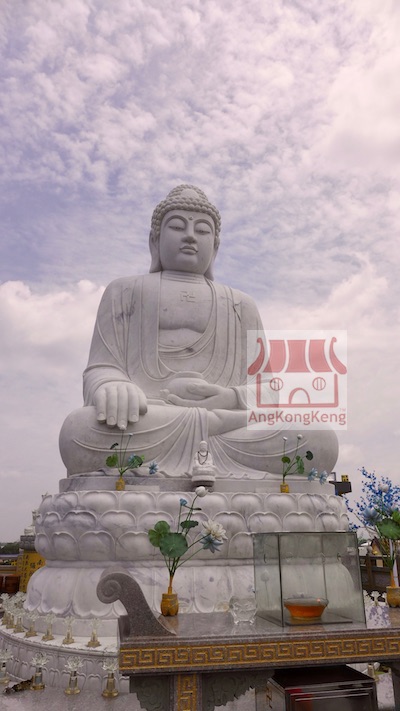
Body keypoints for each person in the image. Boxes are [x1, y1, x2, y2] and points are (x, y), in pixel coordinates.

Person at [59, 185, 338, 477]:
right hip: (151, 417)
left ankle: (205, 438)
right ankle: (213, 445)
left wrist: (230, 397)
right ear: (155, 240)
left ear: (215, 247)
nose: (190, 236)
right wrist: (113, 385)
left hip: (228, 423)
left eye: (202, 230)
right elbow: (101, 368)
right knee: (78, 431)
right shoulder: (124, 291)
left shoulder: (241, 304)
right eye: (177, 227)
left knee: (319, 437)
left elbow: (268, 391)